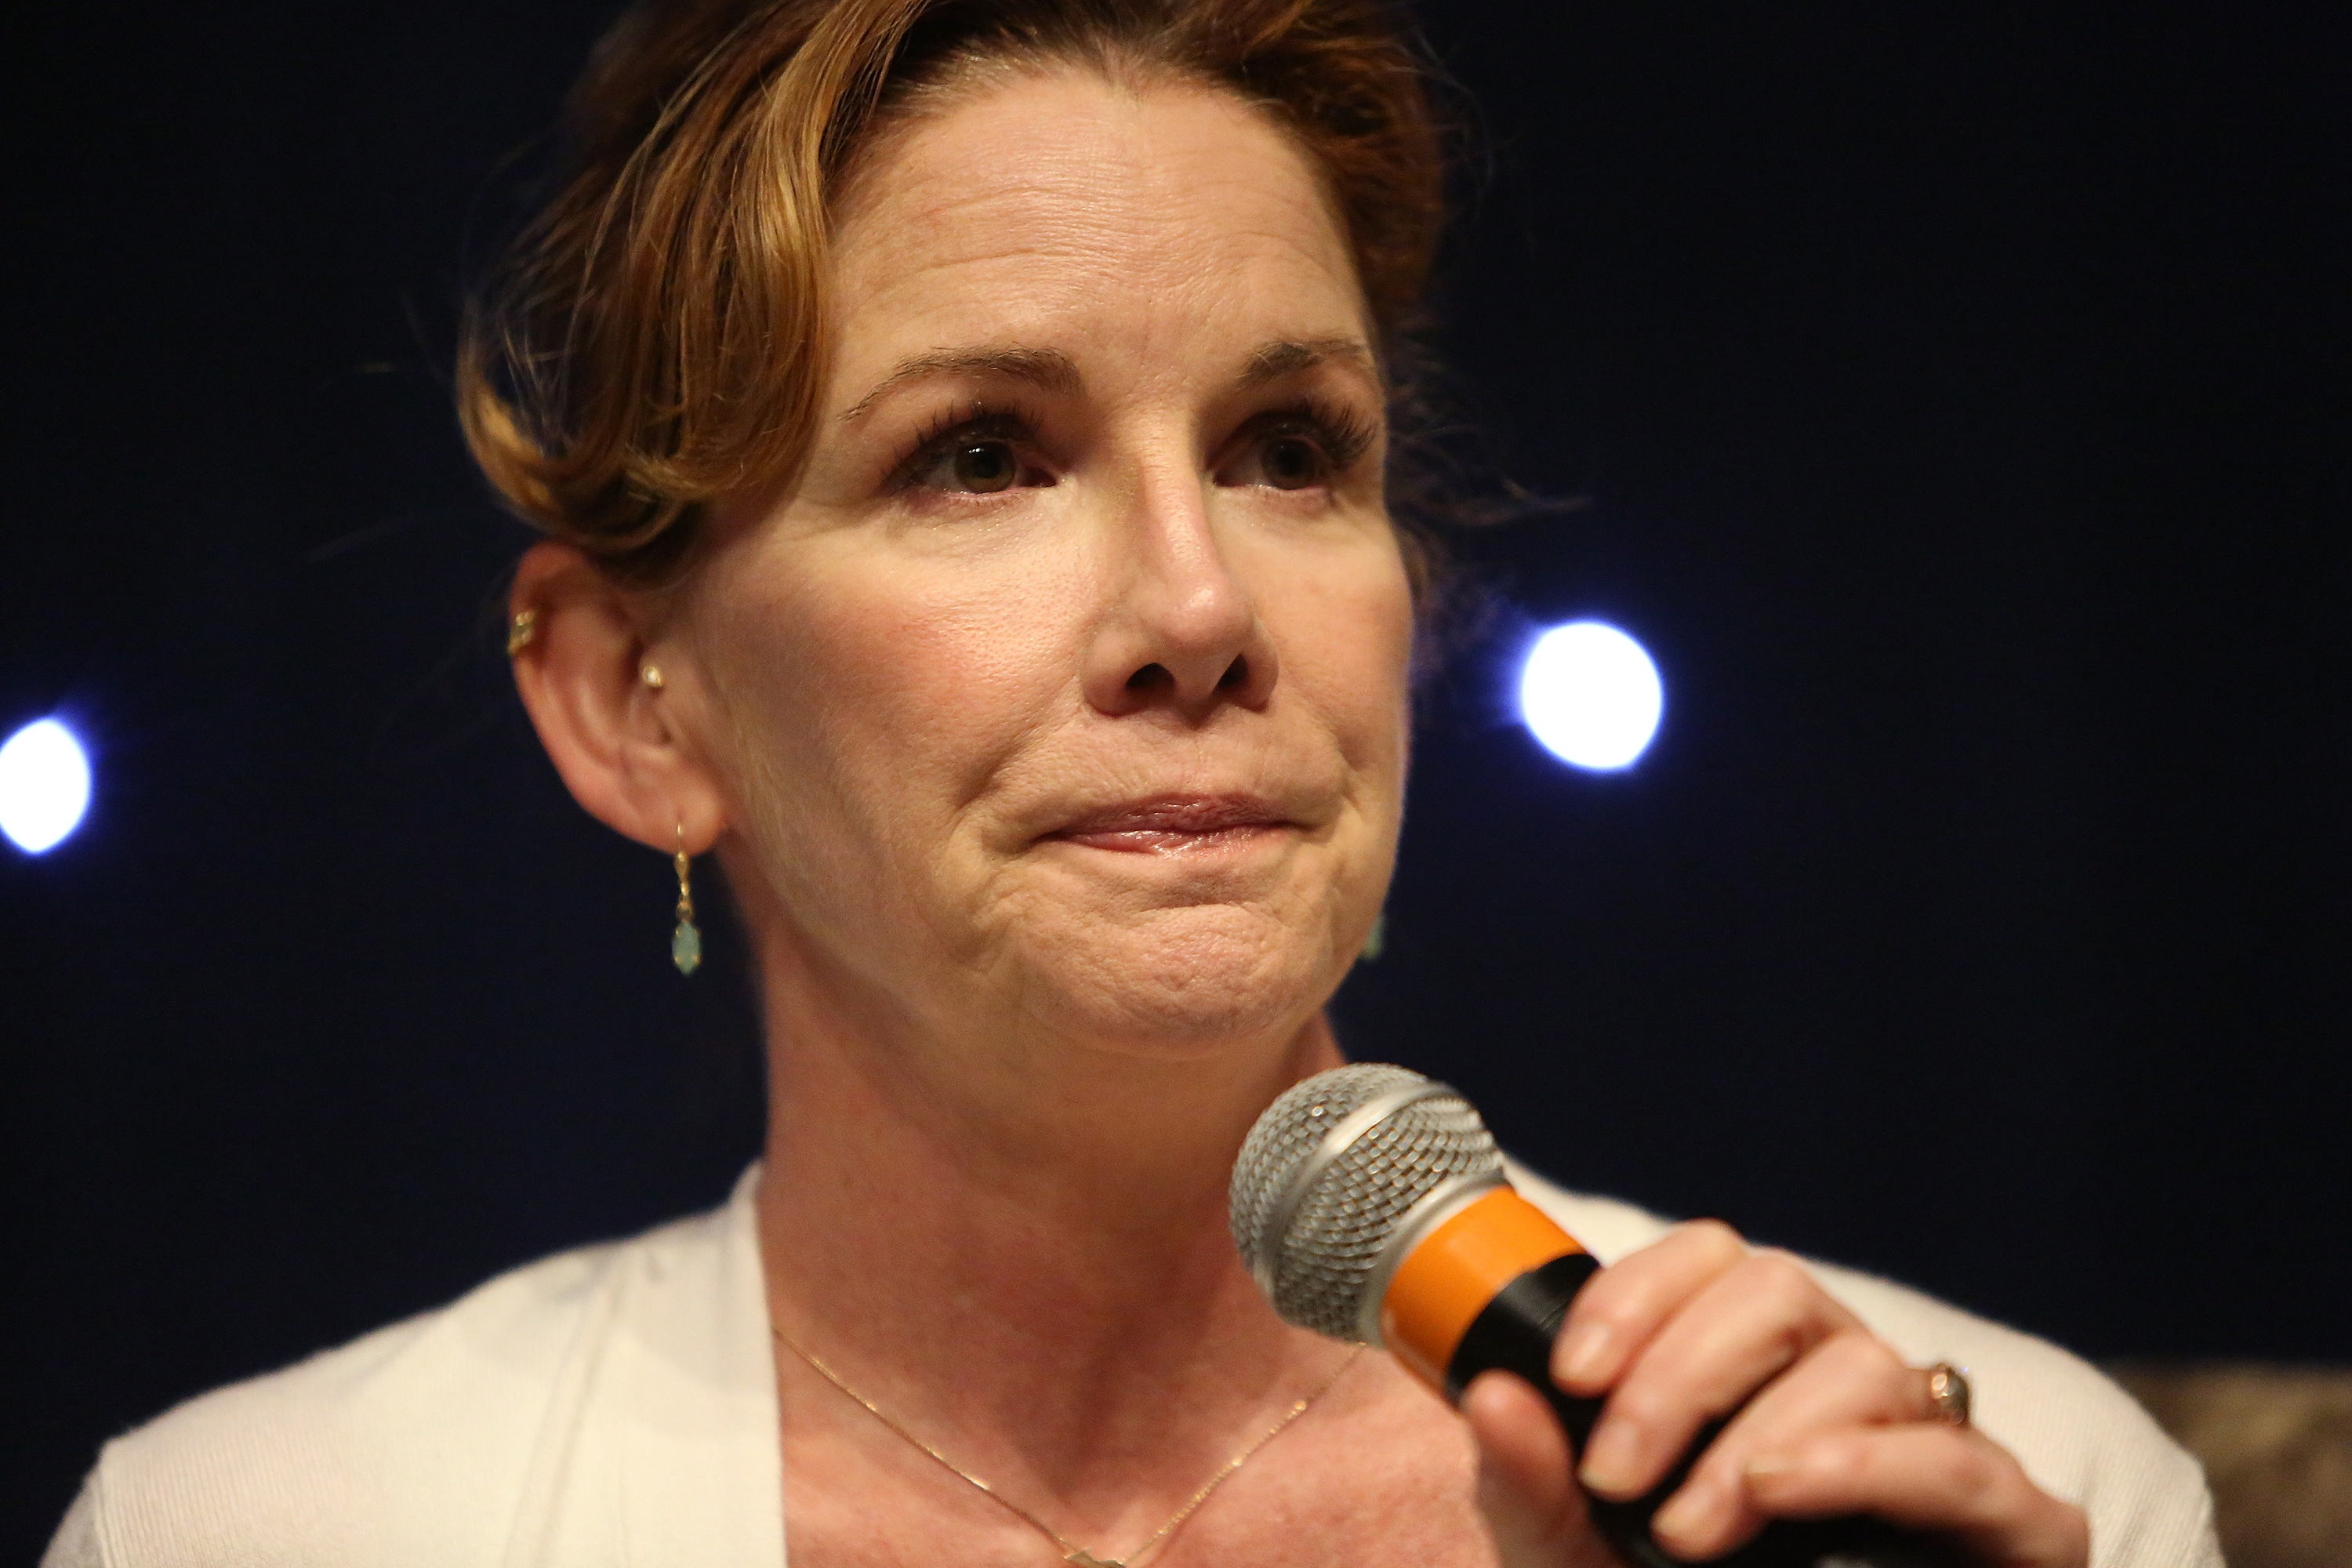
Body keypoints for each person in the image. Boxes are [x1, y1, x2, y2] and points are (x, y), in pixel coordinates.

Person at [45, 1, 2219, 1564]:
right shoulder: (264, 1530)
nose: (1202, 605)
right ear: (636, 700)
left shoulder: (2002, 1479)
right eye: (979, 455)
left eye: (1291, 451)